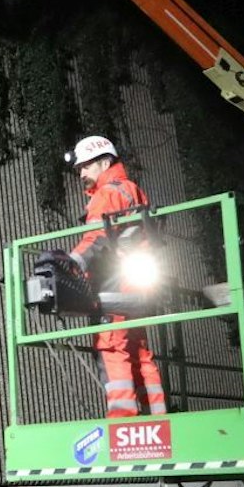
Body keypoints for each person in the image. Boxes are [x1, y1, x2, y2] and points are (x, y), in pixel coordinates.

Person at [65, 135, 166, 419]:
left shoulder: (107, 193)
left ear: (105, 162)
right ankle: (159, 418)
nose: (81, 173)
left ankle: (123, 424)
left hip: (115, 284)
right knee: (139, 351)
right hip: (138, 289)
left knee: (111, 346)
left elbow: (97, 237)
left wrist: (71, 264)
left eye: (86, 166)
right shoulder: (133, 189)